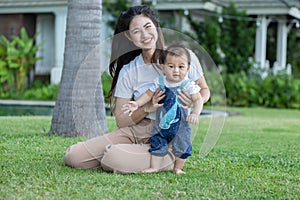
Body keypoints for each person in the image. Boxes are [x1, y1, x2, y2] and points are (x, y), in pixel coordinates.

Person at [64, 5, 210, 174]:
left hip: (169, 133)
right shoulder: (129, 70)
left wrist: (196, 100)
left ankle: (166, 159)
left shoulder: (181, 57)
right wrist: (146, 108)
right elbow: (122, 120)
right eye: (136, 31)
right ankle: (133, 154)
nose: (145, 35)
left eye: (148, 27)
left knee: (113, 158)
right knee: (74, 157)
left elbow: (205, 90)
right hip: (136, 130)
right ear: (129, 36)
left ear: (156, 26)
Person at [122, 44, 203, 174]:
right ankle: (154, 167)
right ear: (163, 67)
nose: (176, 70)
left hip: (181, 125)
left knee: (182, 145)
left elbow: (198, 99)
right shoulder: (160, 81)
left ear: (188, 68)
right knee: (158, 142)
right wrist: (137, 104)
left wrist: (195, 113)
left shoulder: (187, 84)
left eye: (181, 67)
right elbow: (148, 94)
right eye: (171, 66)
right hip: (161, 125)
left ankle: (178, 168)